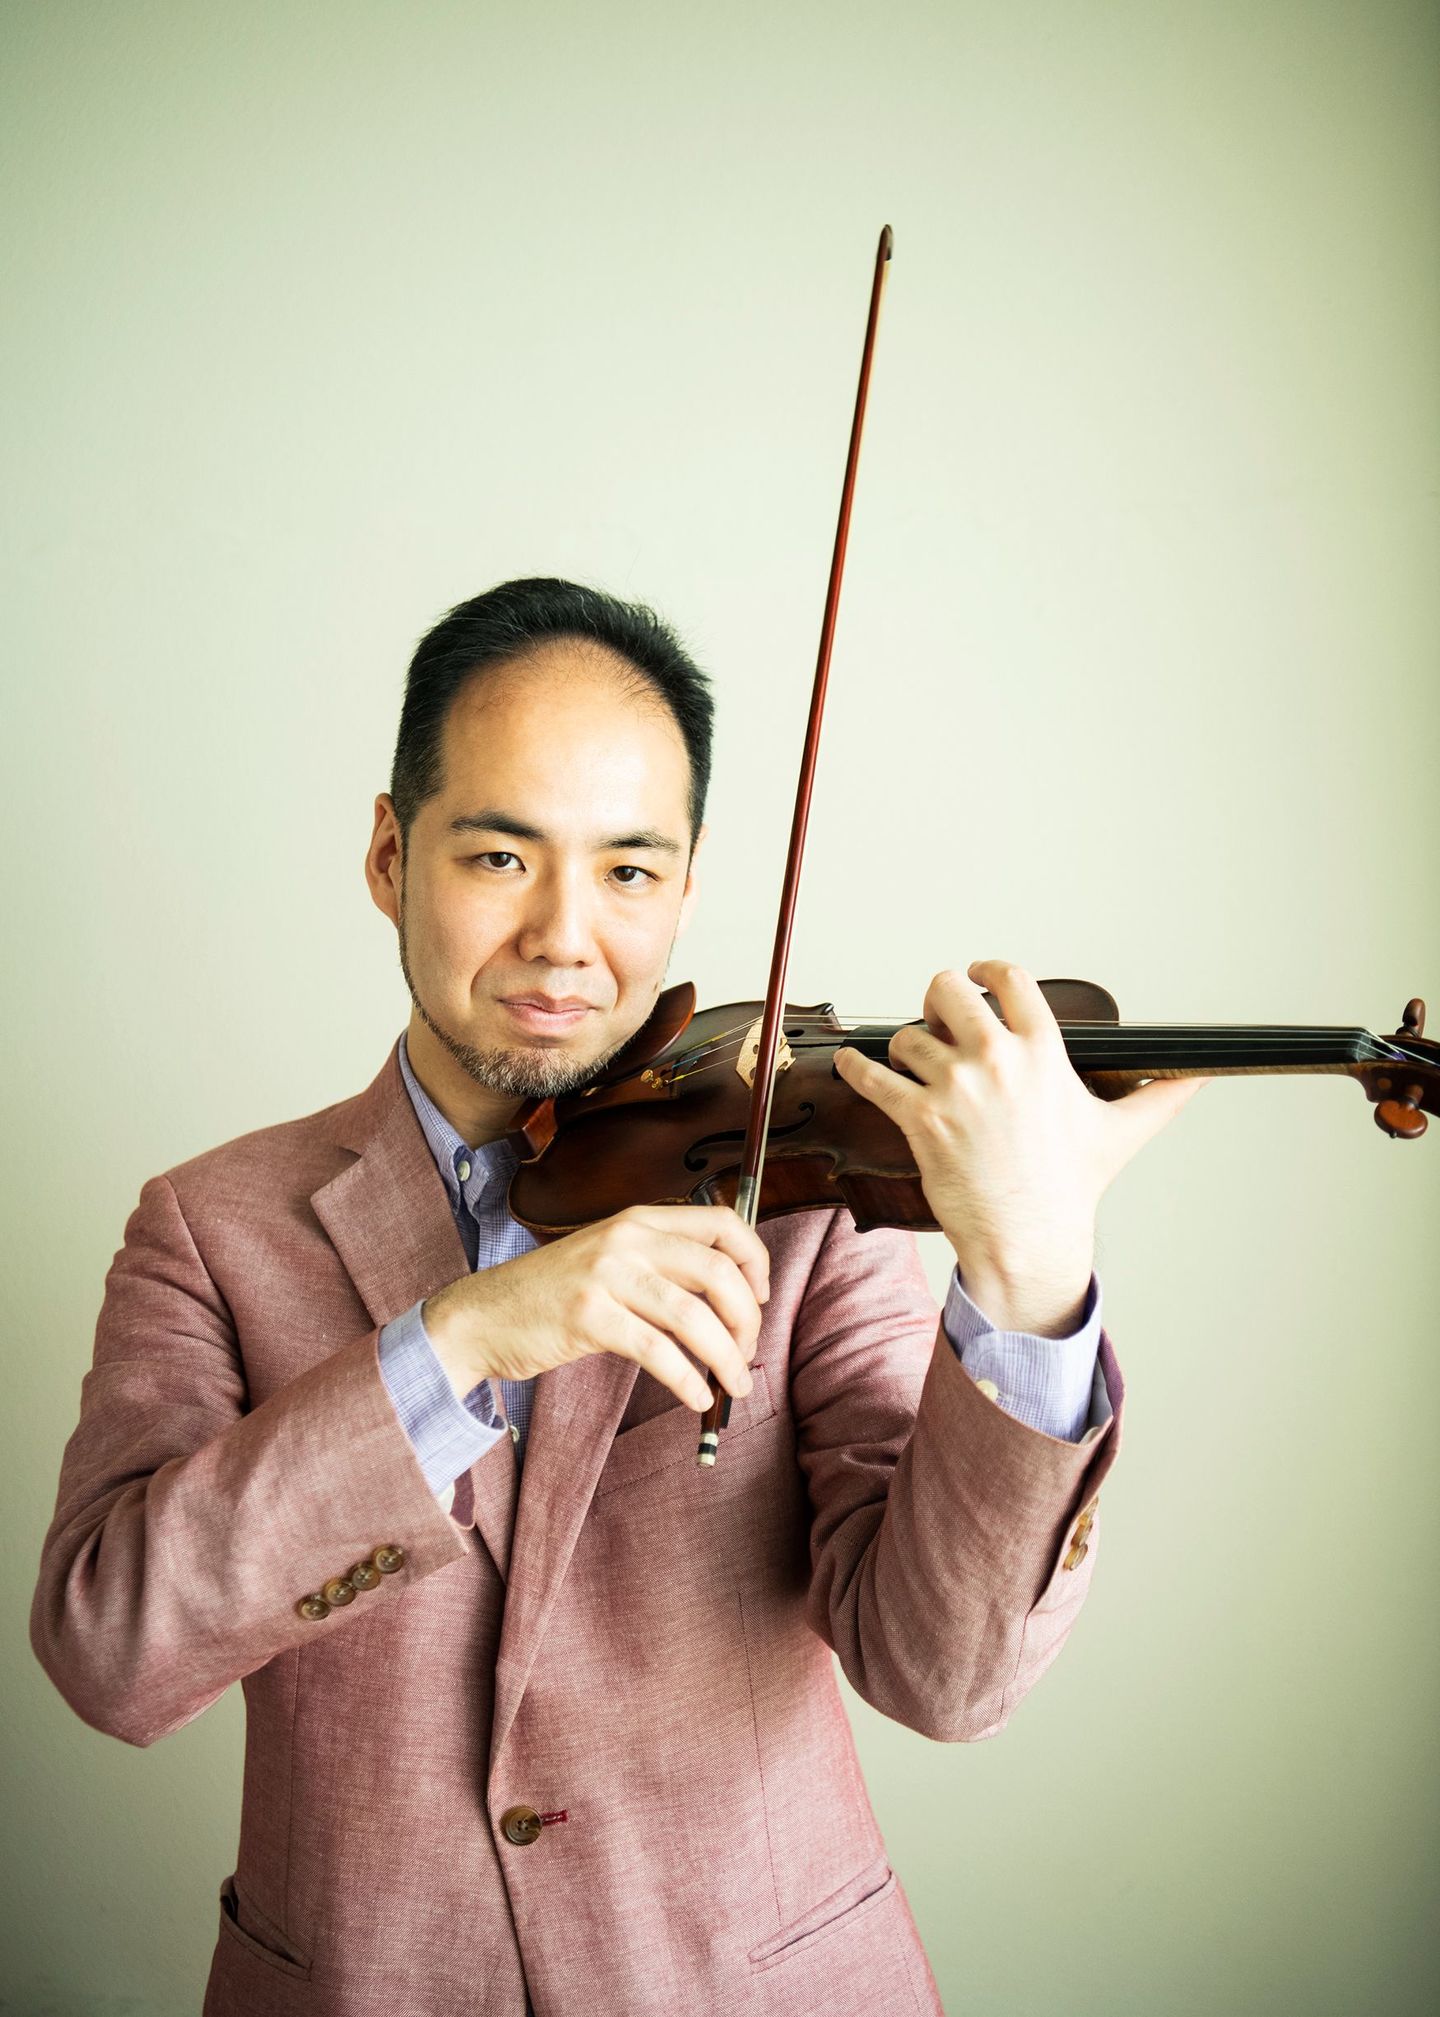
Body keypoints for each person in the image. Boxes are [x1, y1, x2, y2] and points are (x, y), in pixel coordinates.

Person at [31, 578, 1202, 2016]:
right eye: (499, 856)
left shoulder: (794, 1193)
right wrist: (466, 1335)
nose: (565, 937)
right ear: (391, 855)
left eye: (630, 872)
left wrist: (1028, 1267)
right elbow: (110, 1652)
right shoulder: (210, 1229)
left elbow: (945, 1677)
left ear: (689, 887)